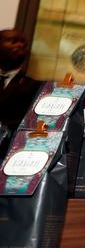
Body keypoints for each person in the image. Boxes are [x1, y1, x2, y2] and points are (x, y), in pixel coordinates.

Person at [0, 29, 42, 159]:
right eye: (13, 41)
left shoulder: (34, 87)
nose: (20, 45)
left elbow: (31, 123)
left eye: (24, 43)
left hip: (8, 153)